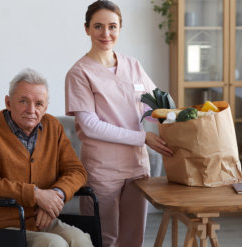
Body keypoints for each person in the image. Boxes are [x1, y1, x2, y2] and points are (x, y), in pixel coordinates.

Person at [65, 1, 173, 246]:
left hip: (136, 167)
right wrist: (143, 137)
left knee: (133, 238)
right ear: (87, 29)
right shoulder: (79, 73)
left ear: (120, 28)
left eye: (112, 26)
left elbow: (157, 102)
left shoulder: (133, 65)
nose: (106, 34)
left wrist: (181, 118)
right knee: (104, 239)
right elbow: (90, 125)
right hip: (103, 170)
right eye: (98, 26)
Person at [0, 68, 93, 247]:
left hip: (43, 220)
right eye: (23, 101)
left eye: (38, 104)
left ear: (46, 108)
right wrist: (36, 195)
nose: (31, 110)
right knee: (55, 244)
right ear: (8, 102)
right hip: (2, 225)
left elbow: (77, 171)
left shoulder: (53, 127)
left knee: (81, 240)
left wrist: (54, 196)